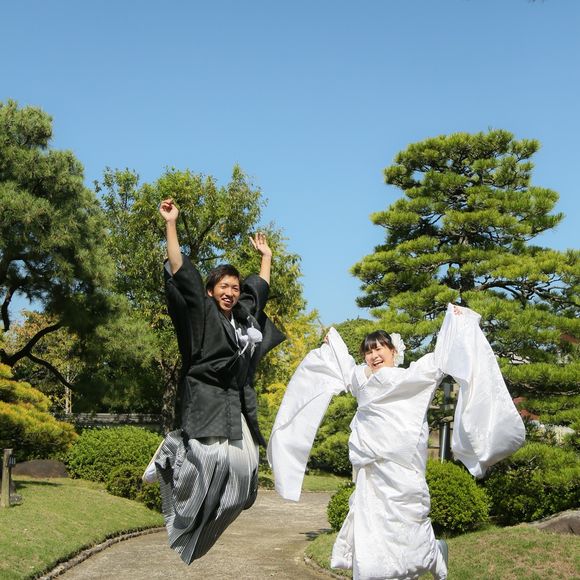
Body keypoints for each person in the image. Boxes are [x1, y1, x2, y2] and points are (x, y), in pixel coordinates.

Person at [267, 304, 525, 580]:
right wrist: (333, 341)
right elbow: (343, 365)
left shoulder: (410, 378)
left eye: (379, 348)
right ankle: (370, 573)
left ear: (393, 351)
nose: (374, 355)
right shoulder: (360, 380)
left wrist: (456, 322)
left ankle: (432, 554)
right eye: (368, 351)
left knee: (410, 523)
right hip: (372, 471)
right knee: (372, 529)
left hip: (404, 469)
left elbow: (440, 360)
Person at [145, 198, 285, 565]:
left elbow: (259, 291)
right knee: (209, 462)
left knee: (245, 480)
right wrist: (171, 223)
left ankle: (196, 481)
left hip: (233, 403)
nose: (230, 292)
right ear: (210, 291)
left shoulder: (243, 317)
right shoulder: (203, 310)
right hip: (205, 396)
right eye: (223, 286)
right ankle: (172, 452)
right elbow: (181, 269)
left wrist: (266, 257)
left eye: (234, 288)